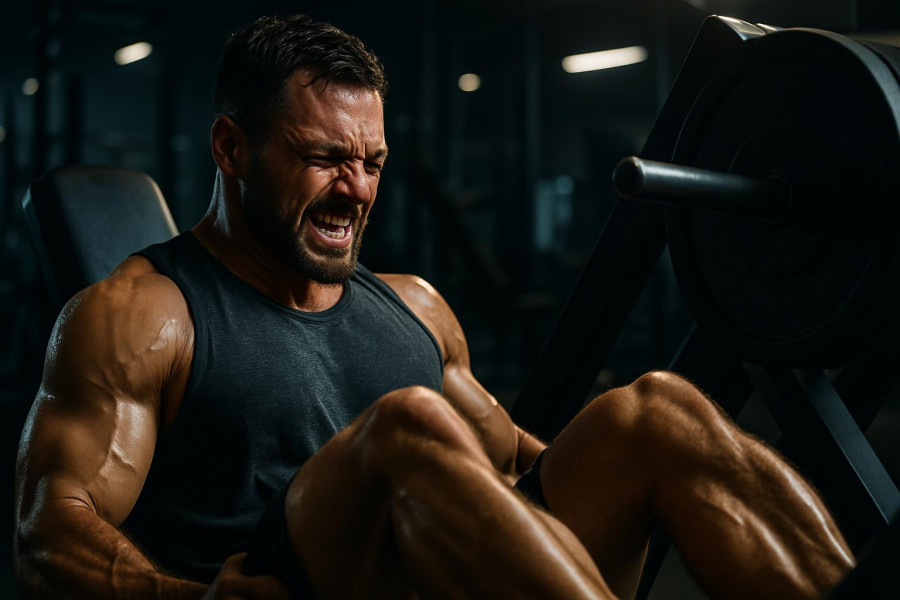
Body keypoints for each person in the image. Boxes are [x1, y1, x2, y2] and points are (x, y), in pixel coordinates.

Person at [14, 13, 855, 600]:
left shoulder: (412, 306)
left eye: (372, 162)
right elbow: (51, 532)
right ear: (232, 148)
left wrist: (628, 479)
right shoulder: (143, 313)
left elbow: (522, 465)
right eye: (323, 159)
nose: (356, 189)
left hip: (438, 575)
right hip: (293, 580)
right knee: (406, 425)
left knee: (658, 409)